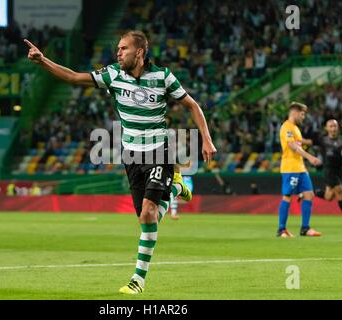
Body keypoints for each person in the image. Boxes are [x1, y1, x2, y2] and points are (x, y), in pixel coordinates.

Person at [25, 30, 216, 294]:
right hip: (132, 156)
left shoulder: (163, 76)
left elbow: (192, 105)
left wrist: (206, 139)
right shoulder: (112, 74)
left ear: (139, 52)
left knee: (150, 211)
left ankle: (138, 280)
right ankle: (174, 188)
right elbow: (72, 77)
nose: (118, 52)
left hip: (159, 150)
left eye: (123, 48)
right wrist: (43, 61)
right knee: (145, 219)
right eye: (118, 48)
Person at [304, 119, 342, 227]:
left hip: (338, 171)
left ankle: (307, 193)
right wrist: (298, 141)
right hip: (328, 171)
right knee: (340, 191)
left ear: (338, 128)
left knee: (328, 197)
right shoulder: (323, 140)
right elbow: (309, 142)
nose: (333, 128)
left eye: (335, 126)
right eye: (331, 126)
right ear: (327, 128)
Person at [277, 102, 322, 238]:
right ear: (294, 113)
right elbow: (291, 145)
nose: (303, 117)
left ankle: (305, 228)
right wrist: (310, 157)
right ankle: (281, 230)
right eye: (302, 114)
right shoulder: (287, 127)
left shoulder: (295, 128)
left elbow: (298, 142)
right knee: (288, 196)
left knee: (309, 194)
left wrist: (307, 142)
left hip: (300, 167)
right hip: (290, 168)